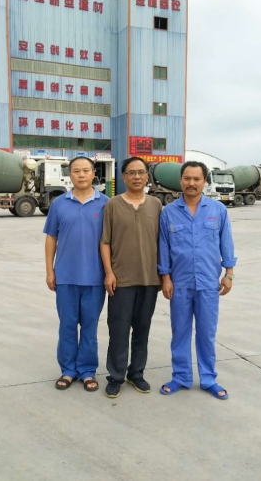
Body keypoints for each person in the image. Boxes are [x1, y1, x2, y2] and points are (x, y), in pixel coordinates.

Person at [158, 161, 237, 399]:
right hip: (179, 284)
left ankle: (208, 378)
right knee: (180, 332)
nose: (191, 183)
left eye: (196, 179)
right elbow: (163, 246)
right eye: (187, 178)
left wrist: (229, 274)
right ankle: (181, 377)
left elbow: (226, 242)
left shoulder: (217, 210)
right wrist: (165, 277)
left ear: (204, 181)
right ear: (180, 180)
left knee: (206, 333)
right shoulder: (169, 212)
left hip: (208, 284)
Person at [43, 156, 109, 392]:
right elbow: (51, 237)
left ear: (93, 174)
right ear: (69, 175)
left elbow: (111, 242)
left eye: (86, 171)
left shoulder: (106, 204)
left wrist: (110, 273)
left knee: (90, 328)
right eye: (76, 171)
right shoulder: (59, 204)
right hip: (66, 277)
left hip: (95, 278)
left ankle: (88, 370)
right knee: (67, 326)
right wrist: (50, 270)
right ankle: (68, 370)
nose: (81, 175)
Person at [100, 157, 162, 398]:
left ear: (147, 176)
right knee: (118, 329)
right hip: (121, 279)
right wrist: (109, 272)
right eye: (131, 173)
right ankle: (116, 376)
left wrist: (164, 275)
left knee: (142, 329)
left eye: (141, 172)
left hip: (149, 279)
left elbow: (162, 242)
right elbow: (105, 241)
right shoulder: (112, 205)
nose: (137, 177)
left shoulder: (156, 205)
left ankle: (136, 373)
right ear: (123, 177)